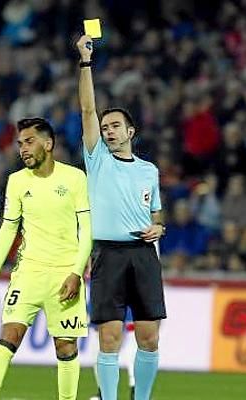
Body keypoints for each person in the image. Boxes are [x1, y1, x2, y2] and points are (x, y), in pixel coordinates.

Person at [0, 118, 92, 400]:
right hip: (28, 272)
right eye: (20, 144)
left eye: (29, 142)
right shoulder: (16, 181)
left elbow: (87, 229)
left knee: (66, 346)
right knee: (9, 336)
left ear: (48, 144)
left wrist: (76, 272)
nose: (23, 149)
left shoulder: (75, 178)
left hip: (65, 274)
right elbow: (8, 228)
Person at [76, 35, 167, 400]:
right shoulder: (97, 159)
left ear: (130, 132)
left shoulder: (149, 170)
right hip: (108, 254)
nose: (108, 130)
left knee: (149, 337)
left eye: (115, 126)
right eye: (105, 127)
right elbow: (87, 110)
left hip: (143, 254)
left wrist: (159, 226)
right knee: (110, 338)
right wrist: (85, 63)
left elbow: (156, 211)